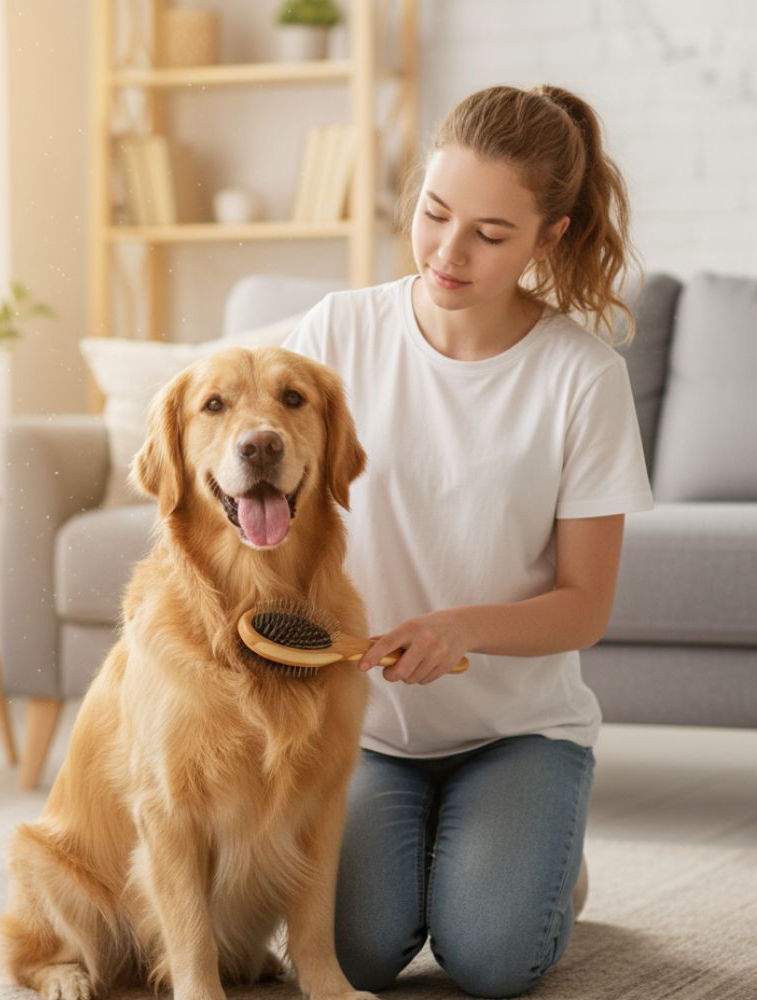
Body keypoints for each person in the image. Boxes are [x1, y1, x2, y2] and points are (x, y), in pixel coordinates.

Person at [283, 84, 654, 998]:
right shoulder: (336, 332)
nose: (449, 252)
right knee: (353, 954)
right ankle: (467, 851)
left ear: (548, 237)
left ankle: (542, 854)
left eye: (490, 234)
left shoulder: (582, 377)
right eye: (434, 213)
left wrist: (463, 629)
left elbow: (585, 605)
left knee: (490, 959)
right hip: (364, 729)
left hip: (518, 732)